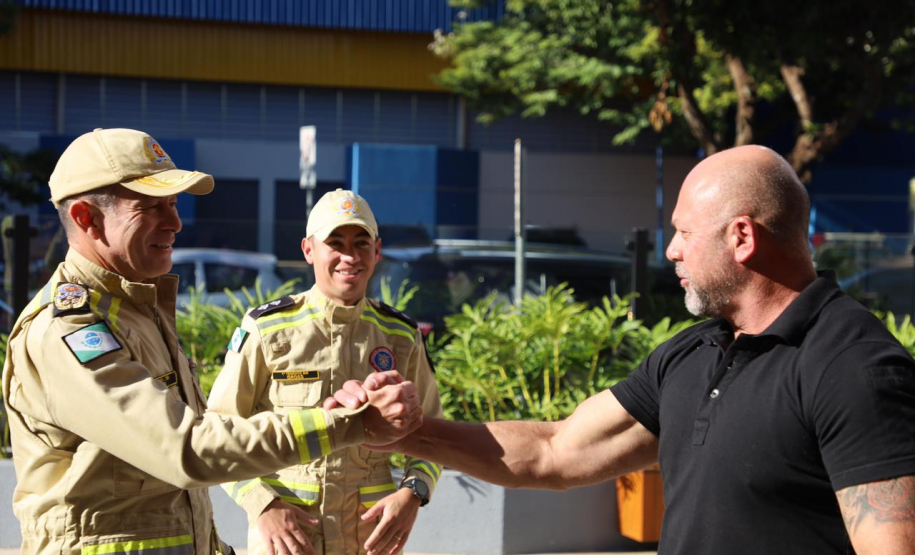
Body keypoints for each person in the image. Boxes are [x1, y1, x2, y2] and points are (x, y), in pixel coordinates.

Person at [329, 146, 915, 554]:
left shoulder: (853, 367)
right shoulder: (694, 353)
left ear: (742, 237)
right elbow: (554, 451)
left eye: (684, 233)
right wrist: (405, 433)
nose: (670, 252)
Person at [1, 129, 423, 555]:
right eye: (151, 206)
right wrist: (350, 425)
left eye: (173, 203)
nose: (175, 222)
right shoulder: (69, 331)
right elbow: (190, 449)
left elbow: (166, 495)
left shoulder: (137, 309)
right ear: (86, 218)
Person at [207, 189, 443, 555]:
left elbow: (433, 432)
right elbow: (219, 431)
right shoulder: (268, 330)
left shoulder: (400, 335)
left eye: (361, 243)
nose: (349, 256)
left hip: (369, 541)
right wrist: (263, 506)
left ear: (377, 251)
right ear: (308, 250)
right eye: (335, 243)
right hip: (287, 540)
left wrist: (412, 495)